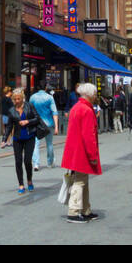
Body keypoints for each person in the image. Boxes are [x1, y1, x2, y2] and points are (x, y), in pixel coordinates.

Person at [61, 81, 102, 223]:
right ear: (90, 95)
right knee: (80, 182)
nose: (96, 96)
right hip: (82, 151)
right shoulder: (87, 110)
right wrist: (93, 155)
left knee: (82, 180)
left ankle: (86, 210)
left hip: (74, 149)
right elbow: (89, 135)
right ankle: (73, 211)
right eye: (95, 94)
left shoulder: (76, 108)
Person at [5, 88, 42, 193]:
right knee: (18, 161)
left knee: (27, 161)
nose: (17, 101)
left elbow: (37, 119)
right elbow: (9, 126)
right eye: (15, 99)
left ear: (22, 98)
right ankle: (21, 184)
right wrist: (4, 139)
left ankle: (29, 180)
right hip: (17, 139)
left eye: (19, 99)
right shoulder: (11, 111)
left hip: (29, 137)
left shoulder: (29, 106)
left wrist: (27, 121)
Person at [30, 83, 59, 171]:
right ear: (45, 88)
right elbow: (54, 112)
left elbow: (30, 111)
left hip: (37, 123)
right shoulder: (50, 98)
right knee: (49, 143)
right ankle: (50, 162)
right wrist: (56, 126)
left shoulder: (32, 97)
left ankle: (36, 163)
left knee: (35, 144)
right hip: (48, 123)